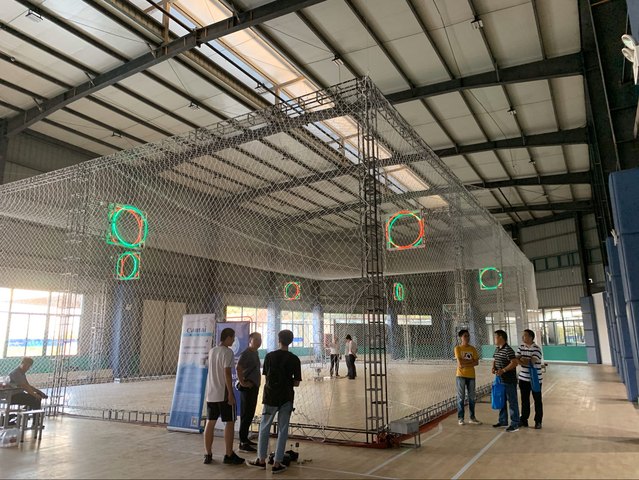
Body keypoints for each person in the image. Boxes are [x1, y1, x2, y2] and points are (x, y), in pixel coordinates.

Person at [248, 330, 302, 474]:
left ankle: (261, 460)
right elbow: (296, 382)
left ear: (279, 340)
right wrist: (287, 382)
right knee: (283, 430)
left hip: (270, 397)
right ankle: (277, 463)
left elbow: (266, 377)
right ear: (290, 341)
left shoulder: (269, 356)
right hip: (286, 397)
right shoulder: (294, 359)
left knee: (264, 427)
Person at [203, 328, 244, 465]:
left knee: (210, 422)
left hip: (211, 393)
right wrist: (231, 394)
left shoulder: (212, 351)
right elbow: (227, 373)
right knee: (230, 422)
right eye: (233, 338)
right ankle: (228, 454)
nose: (233, 340)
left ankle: (207, 453)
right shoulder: (228, 352)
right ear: (227, 338)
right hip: (223, 393)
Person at [236, 332, 262, 452]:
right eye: (256, 339)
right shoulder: (246, 353)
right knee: (246, 414)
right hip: (247, 388)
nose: (259, 342)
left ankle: (245, 439)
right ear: (250, 341)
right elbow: (238, 368)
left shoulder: (255, 353)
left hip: (253, 387)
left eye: (260, 339)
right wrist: (242, 383)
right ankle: (242, 442)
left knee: (250, 413)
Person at [492, 329, 520, 432]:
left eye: (495, 337)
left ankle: (515, 423)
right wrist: (494, 367)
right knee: (501, 400)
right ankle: (503, 420)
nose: (494, 339)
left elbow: (514, 362)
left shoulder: (508, 350)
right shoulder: (497, 349)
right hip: (500, 380)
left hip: (509, 380)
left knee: (512, 402)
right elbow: (495, 359)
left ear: (501, 337)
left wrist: (503, 370)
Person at [517, 329, 544, 429]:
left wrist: (522, 359)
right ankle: (524, 420)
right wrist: (522, 360)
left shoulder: (536, 349)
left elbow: (531, 361)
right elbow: (516, 359)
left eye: (525, 335)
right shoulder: (521, 347)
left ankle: (538, 421)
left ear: (531, 337)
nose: (523, 337)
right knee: (524, 400)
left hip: (535, 379)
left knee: (537, 400)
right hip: (523, 379)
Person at [454, 330, 481, 425]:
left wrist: (465, 362)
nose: (467, 338)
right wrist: (470, 362)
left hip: (471, 375)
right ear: (461, 337)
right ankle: (460, 418)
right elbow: (460, 364)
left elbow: (476, 362)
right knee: (461, 398)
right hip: (461, 375)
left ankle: (472, 418)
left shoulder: (473, 349)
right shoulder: (458, 348)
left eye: (468, 336)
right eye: (465, 336)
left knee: (472, 398)